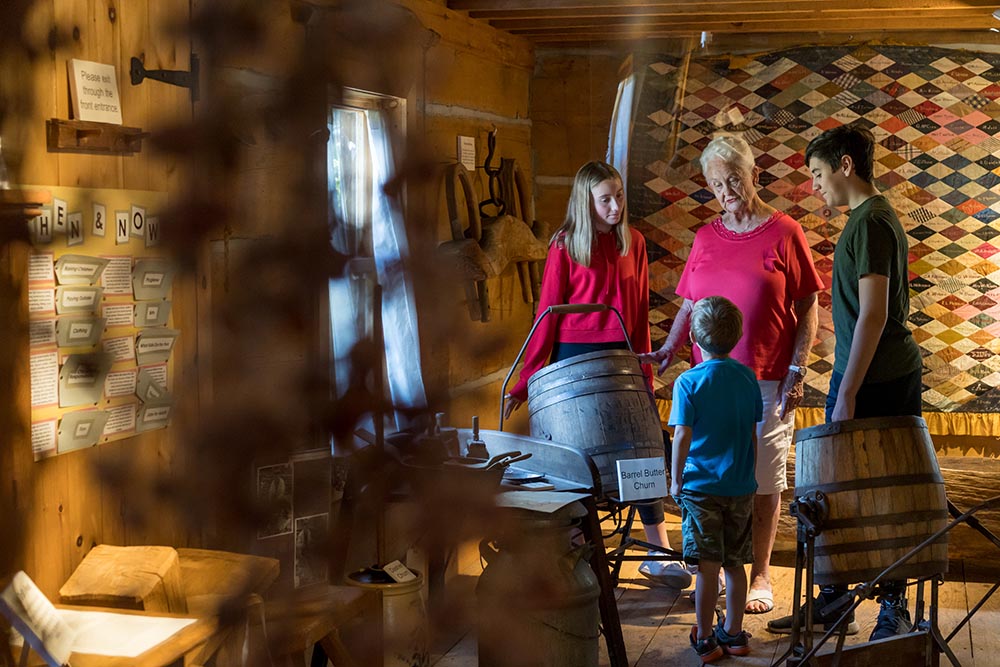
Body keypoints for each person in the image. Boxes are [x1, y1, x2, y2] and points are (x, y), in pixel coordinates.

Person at [640, 134, 824, 614]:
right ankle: (723, 572)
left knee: (763, 479)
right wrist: (669, 348)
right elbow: (689, 304)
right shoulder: (704, 237)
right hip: (711, 384)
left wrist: (798, 369)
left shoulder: (785, 232)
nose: (726, 192)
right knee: (715, 481)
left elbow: (808, 305)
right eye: (717, 184)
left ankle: (760, 573)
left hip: (766, 381)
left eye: (734, 180)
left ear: (754, 176)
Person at [504, 160, 692, 589]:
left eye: (619, 196)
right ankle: (575, 548)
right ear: (585, 203)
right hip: (574, 356)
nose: (615, 206)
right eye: (605, 199)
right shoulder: (565, 245)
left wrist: (645, 371)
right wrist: (524, 381)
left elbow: (639, 311)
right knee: (577, 456)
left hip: (621, 353)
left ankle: (656, 553)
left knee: (640, 448)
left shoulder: (635, 243)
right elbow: (547, 315)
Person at [768, 124, 923, 640]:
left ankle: (892, 609)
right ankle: (835, 601)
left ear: (846, 165)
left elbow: (874, 315)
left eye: (817, 173)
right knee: (837, 489)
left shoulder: (873, 221)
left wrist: (850, 392)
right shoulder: (865, 219)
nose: (815, 186)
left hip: (879, 378)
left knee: (887, 493)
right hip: (865, 374)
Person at [670, 296, 761, 663]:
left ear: (693, 336)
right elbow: (751, 434)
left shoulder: (688, 382)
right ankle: (735, 634)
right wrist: (747, 474)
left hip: (701, 489)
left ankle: (706, 638)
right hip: (740, 486)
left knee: (707, 568)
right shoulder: (747, 377)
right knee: (736, 563)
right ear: (737, 337)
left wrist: (676, 481)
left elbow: (682, 436)